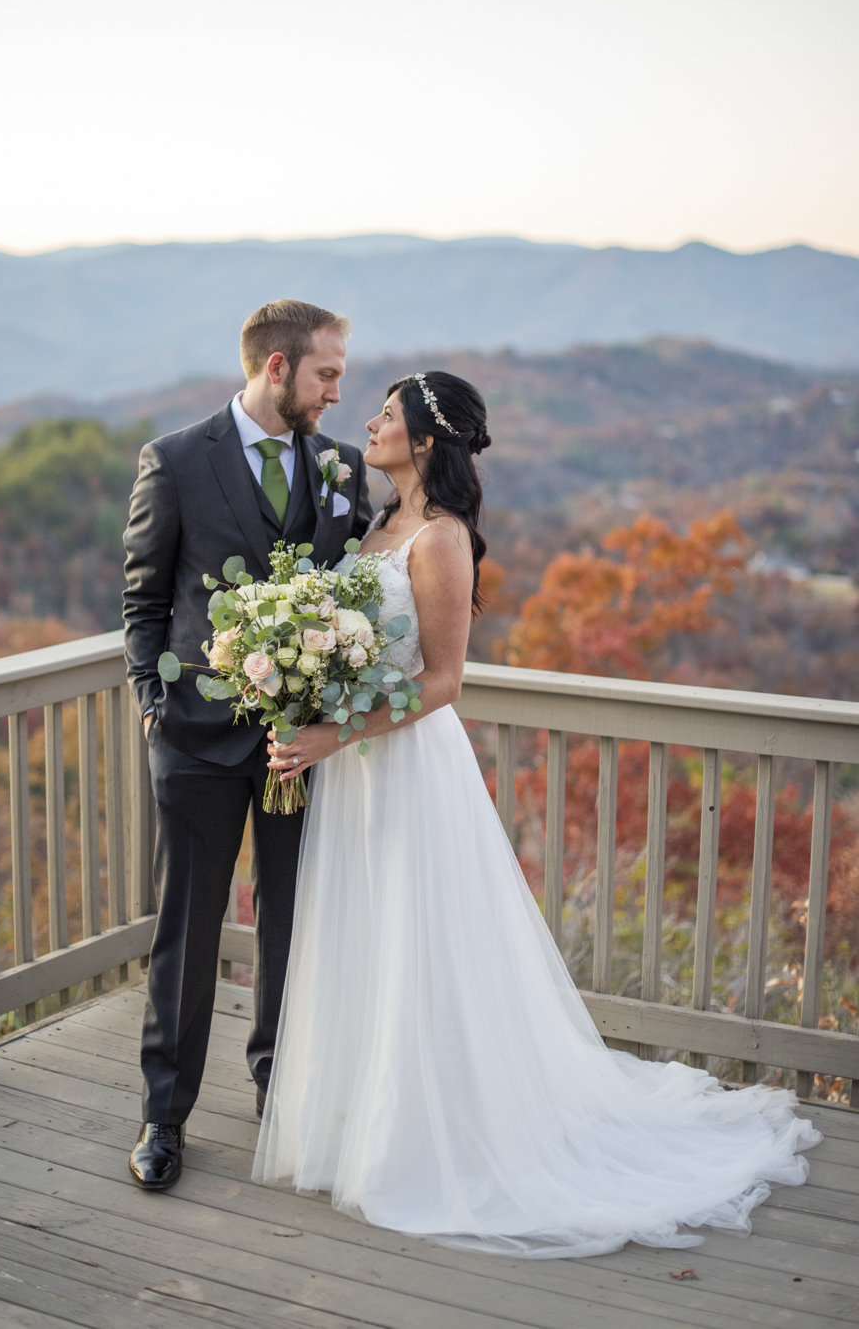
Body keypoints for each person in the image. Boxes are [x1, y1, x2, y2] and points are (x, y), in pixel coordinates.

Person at [255, 368, 819, 1258]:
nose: (369, 420)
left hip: (405, 763)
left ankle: (434, 1137)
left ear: (426, 441)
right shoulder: (376, 525)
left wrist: (337, 732)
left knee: (421, 940)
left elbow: (443, 682)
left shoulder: (440, 540)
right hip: (358, 764)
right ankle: (363, 1123)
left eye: (389, 415)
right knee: (369, 933)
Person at [122, 299, 372, 1190]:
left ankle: (279, 1090)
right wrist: (152, 695)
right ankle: (164, 1117)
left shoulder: (342, 469)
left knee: (292, 928)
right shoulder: (179, 461)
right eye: (328, 374)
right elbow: (145, 596)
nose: (340, 392)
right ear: (277, 367)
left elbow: (357, 598)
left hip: (299, 747)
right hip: (194, 741)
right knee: (186, 934)